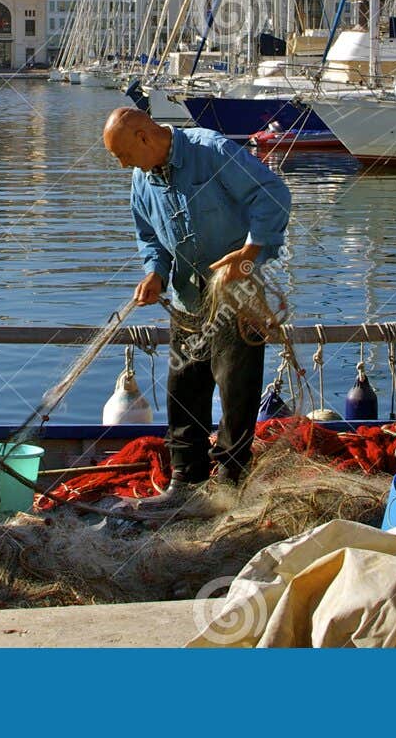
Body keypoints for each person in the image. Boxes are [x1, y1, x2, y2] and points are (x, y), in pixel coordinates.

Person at [101, 107, 291, 510]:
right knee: (184, 388)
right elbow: (149, 236)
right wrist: (155, 272)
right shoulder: (141, 179)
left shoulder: (210, 149)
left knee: (235, 388)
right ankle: (185, 478)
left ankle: (230, 480)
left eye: (123, 155)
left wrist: (251, 253)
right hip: (187, 297)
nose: (122, 165)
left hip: (236, 296)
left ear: (143, 137)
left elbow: (272, 193)